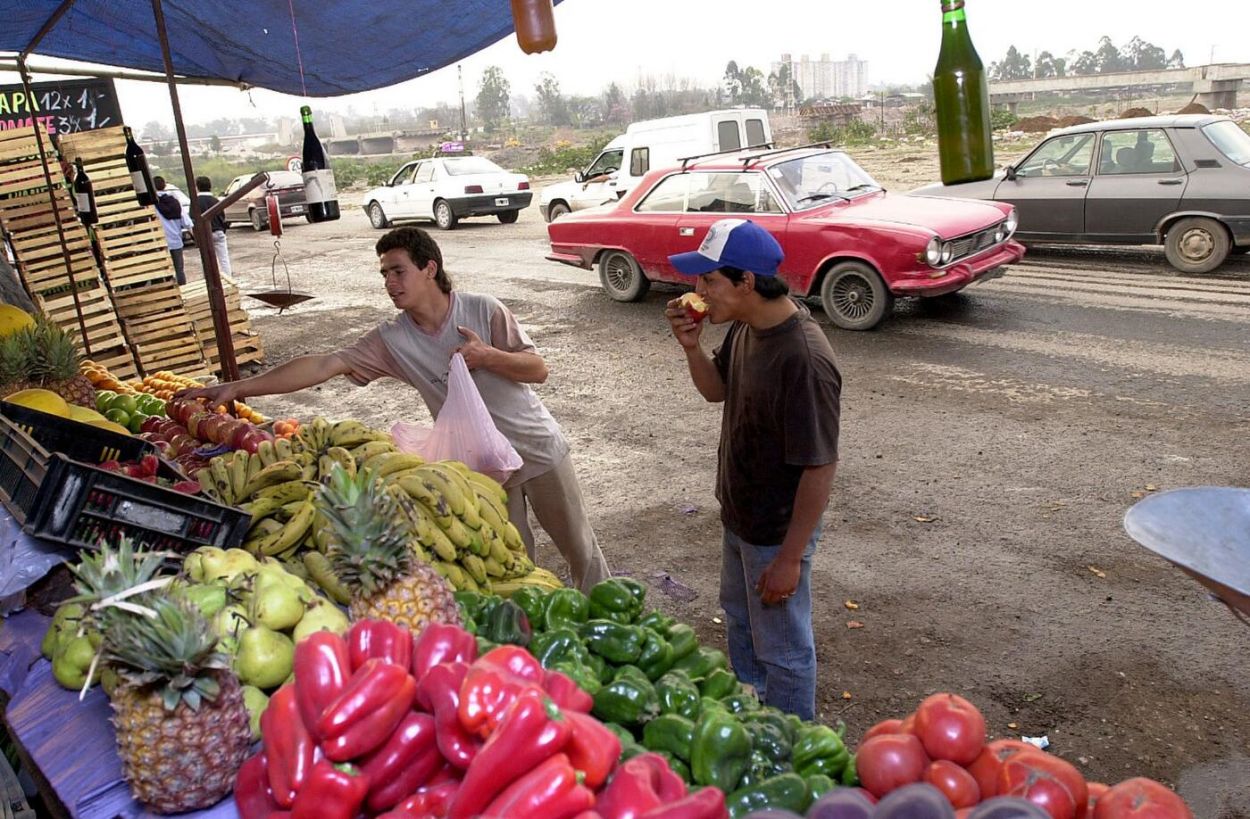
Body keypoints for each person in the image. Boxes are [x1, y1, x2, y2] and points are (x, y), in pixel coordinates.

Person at [180, 225, 612, 592]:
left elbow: (537, 369)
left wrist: (487, 357)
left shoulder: (482, 309)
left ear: (430, 268)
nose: (390, 282)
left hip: (536, 449)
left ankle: (615, 627)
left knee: (580, 551)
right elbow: (325, 365)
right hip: (483, 467)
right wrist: (239, 387)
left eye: (399, 271)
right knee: (510, 565)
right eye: (384, 273)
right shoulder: (393, 340)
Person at [664, 218, 841, 720]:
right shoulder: (746, 327)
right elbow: (715, 390)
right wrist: (691, 347)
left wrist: (788, 558)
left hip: (775, 531)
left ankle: (792, 744)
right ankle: (753, 710)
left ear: (746, 282)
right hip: (740, 514)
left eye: (709, 281)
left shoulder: (803, 359)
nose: (698, 291)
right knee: (741, 621)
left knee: (784, 649)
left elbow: (820, 466)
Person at [153, 176, 192, 285]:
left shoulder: (152, 205)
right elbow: (187, 223)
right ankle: (183, 292)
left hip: (160, 245)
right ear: (165, 185)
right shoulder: (175, 202)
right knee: (179, 271)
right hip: (176, 242)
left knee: (164, 272)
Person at [195, 176, 232, 278]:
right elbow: (222, 218)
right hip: (218, 232)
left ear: (197, 187)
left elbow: (192, 220)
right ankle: (228, 280)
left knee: (207, 261)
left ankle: (209, 281)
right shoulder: (215, 200)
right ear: (210, 186)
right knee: (224, 259)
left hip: (204, 235)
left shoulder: (195, 202)